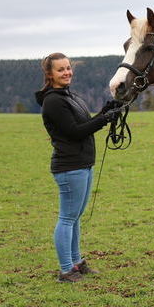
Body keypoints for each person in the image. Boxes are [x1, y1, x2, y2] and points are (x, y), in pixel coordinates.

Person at [35, 52, 119, 283]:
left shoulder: (68, 95)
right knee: (67, 218)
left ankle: (76, 263)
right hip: (70, 167)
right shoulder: (53, 101)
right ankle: (66, 270)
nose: (67, 72)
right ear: (50, 74)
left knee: (75, 217)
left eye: (68, 68)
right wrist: (104, 119)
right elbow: (74, 132)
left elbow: (84, 123)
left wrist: (105, 111)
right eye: (61, 69)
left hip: (82, 164)